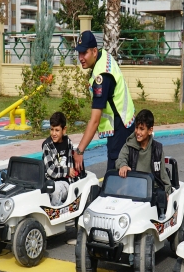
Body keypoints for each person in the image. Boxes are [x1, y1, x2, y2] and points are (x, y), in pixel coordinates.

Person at [72, 30, 135, 173]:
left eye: (84, 53)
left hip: (120, 128)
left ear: (94, 51)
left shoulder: (102, 77)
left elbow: (95, 120)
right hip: (125, 122)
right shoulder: (103, 56)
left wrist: (80, 151)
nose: (81, 58)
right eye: (79, 53)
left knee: (115, 175)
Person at [116, 109, 171, 219]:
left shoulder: (157, 149)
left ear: (150, 130)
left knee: (161, 197)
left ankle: (160, 216)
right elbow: (121, 158)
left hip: (151, 190)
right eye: (136, 128)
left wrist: (167, 191)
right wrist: (123, 165)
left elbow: (162, 174)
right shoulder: (129, 145)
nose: (138, 132)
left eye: (142, 129)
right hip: (132, 187)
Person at [42, 112, 78, 206]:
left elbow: (72, 163)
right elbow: (51, 171)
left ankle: (56, 214)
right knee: (52, 188)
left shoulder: (68, 142)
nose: (53, 133)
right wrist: (67, 171)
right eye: (51, 129)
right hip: (49, 181)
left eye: (57, 130)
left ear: (64, 129)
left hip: (65, 182)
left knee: (56, 189)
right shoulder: (47, 145)